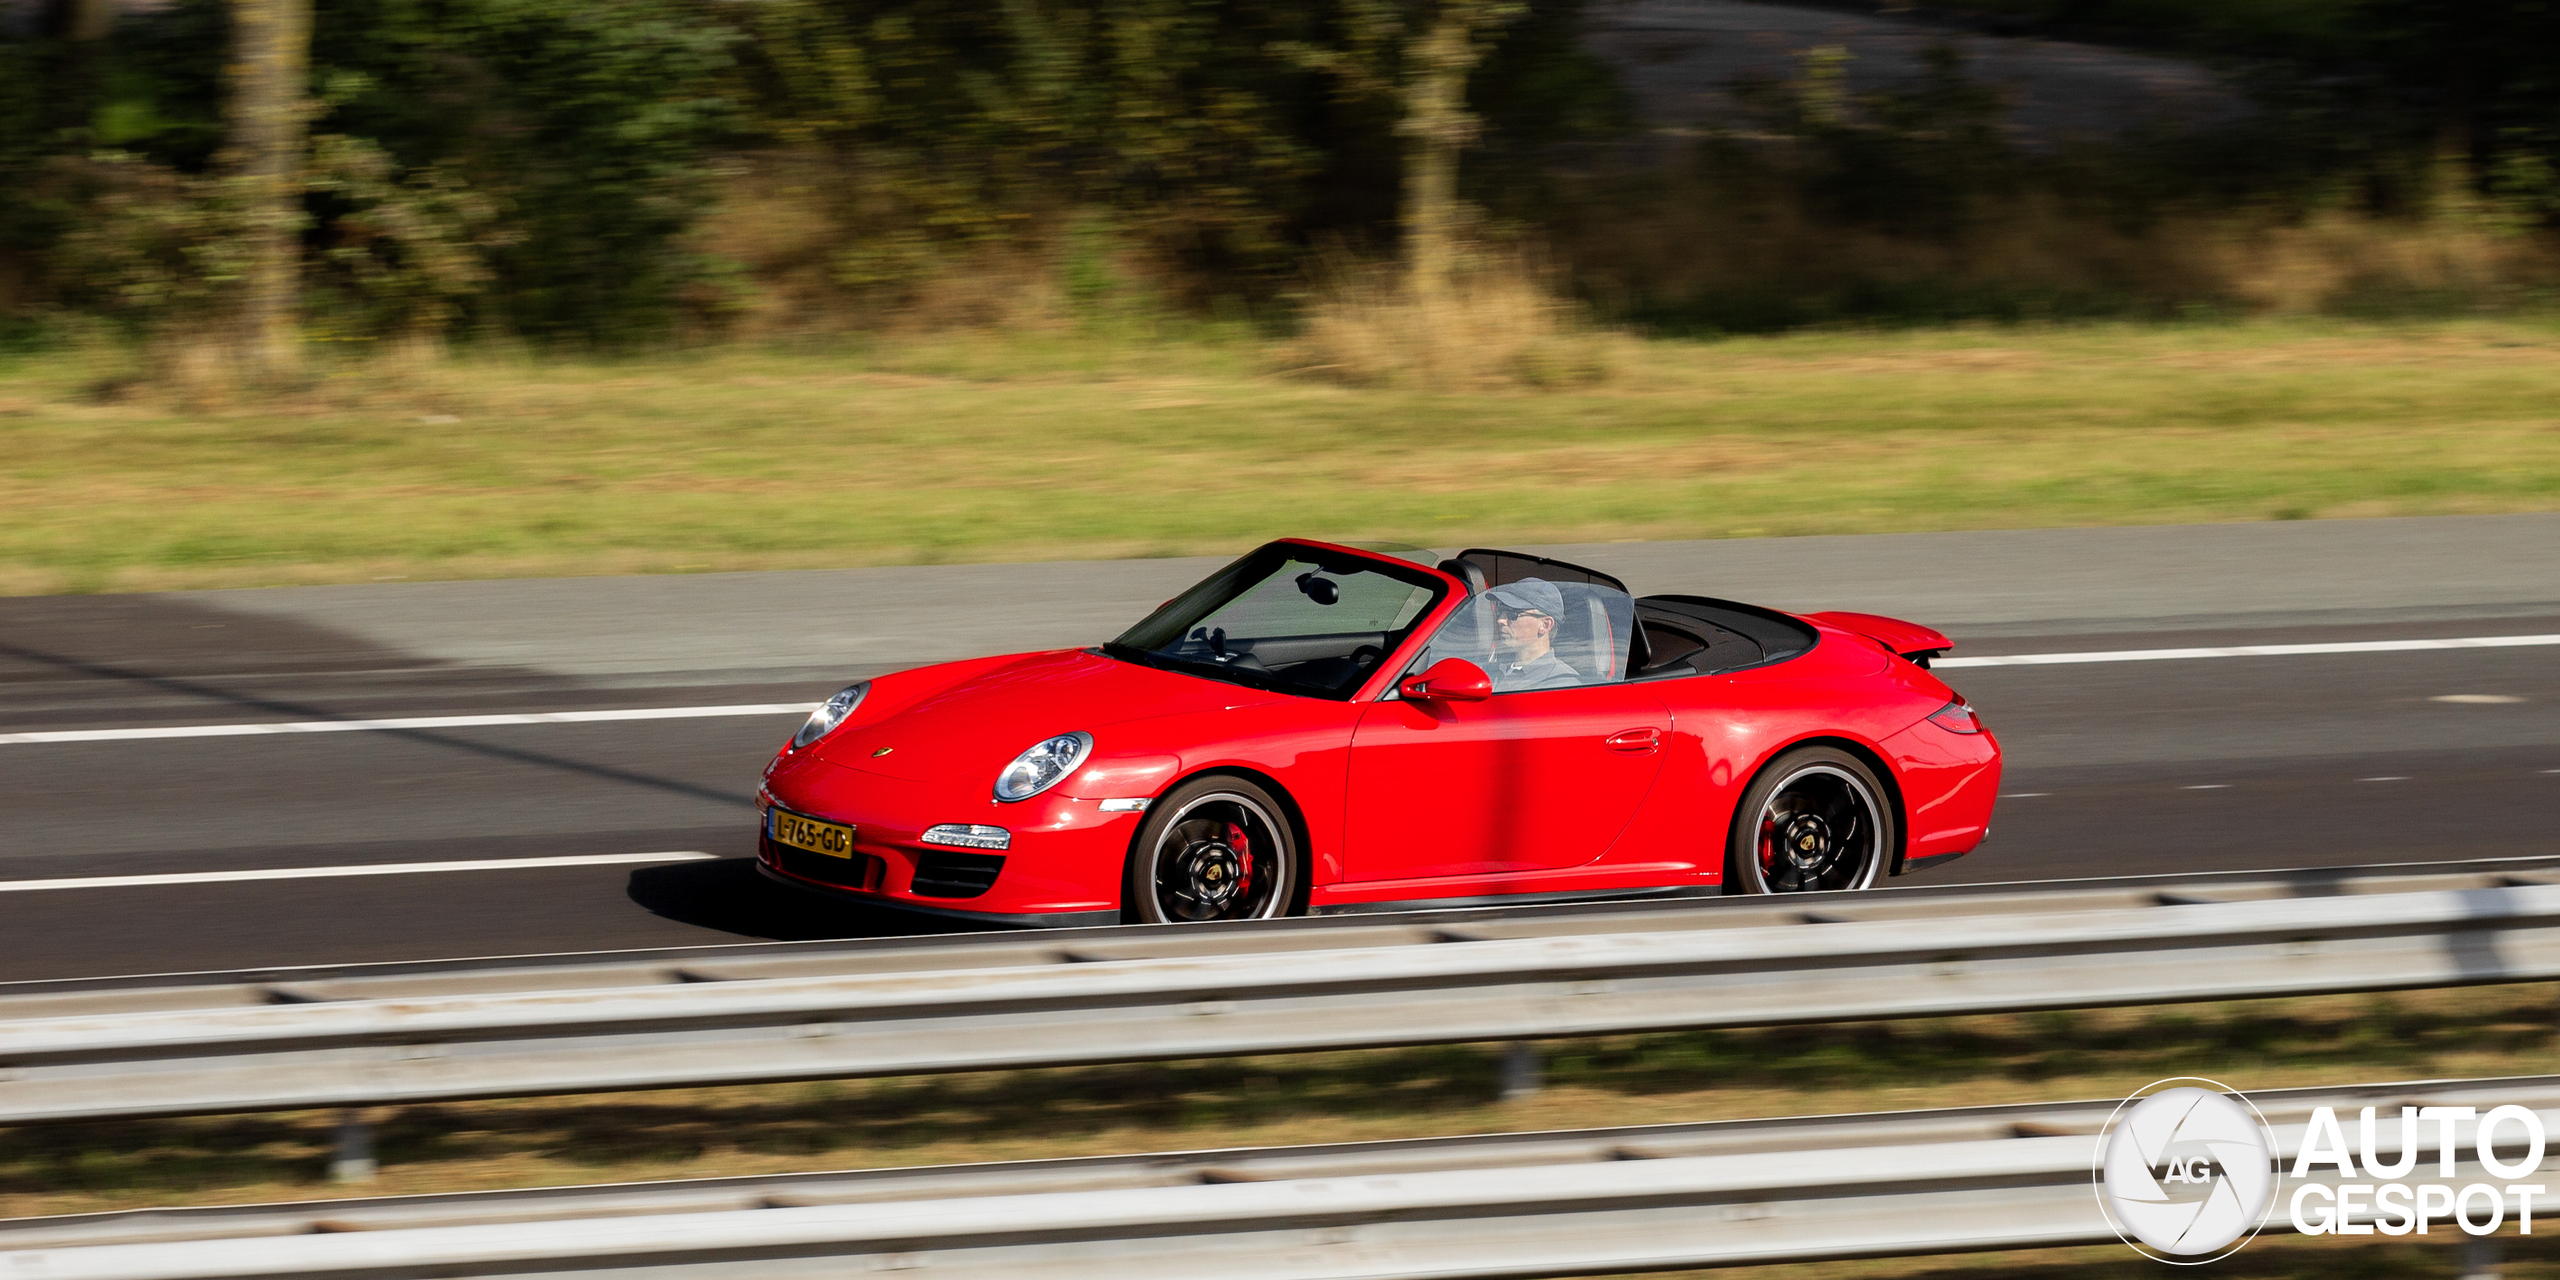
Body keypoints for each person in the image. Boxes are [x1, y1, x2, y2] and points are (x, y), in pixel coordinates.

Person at [1483, 578, 1581, 691]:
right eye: (1501, 611)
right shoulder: (1490, 673)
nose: (1501, 620)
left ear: (1545, 625)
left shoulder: (1562, 685)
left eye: (1512, 614)